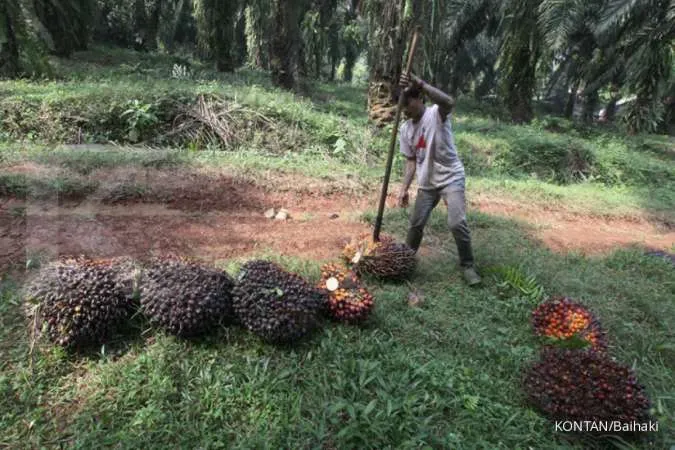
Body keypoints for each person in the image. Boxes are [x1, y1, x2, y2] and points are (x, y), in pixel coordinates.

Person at [395, 73, 481, 286]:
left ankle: (468, 266)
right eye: (402, 107)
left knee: (456, 222)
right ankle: (406, 261)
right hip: (427, 183)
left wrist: (421, 84)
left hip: (451, 177)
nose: (406, 110)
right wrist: (404, 189)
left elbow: (449, 101)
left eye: (408, 104)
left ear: (419, 98)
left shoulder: (436, 113)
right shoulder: (405, 129)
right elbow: (411, 162)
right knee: (416, 224)